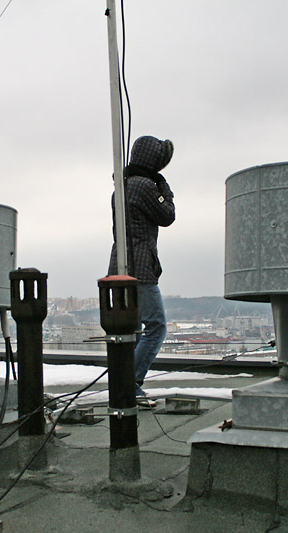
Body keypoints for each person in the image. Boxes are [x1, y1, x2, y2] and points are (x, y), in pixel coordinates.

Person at [108, 135, 176, 408]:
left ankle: (126, 387)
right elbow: (167, 215)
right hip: (140, 268)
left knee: (133, 330)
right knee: (157, 326)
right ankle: (129, 383)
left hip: (121, 265)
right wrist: (164, 188)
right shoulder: (143, 186)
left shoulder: (122, 185)